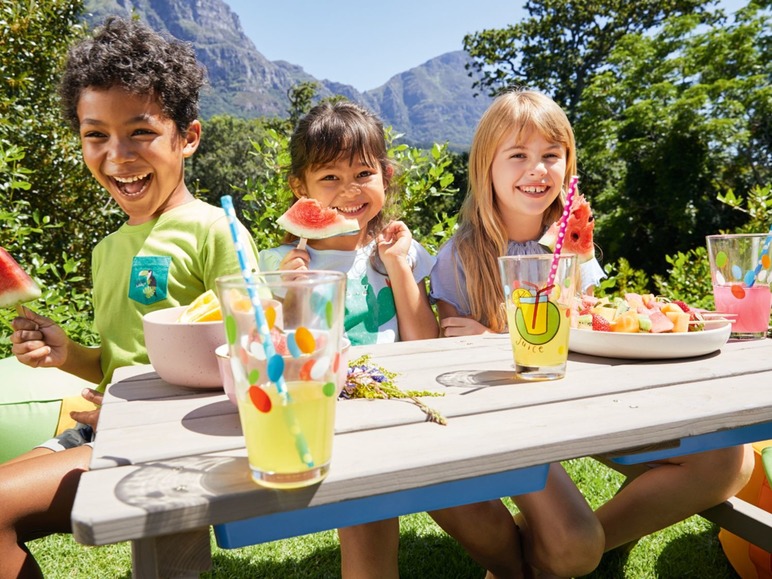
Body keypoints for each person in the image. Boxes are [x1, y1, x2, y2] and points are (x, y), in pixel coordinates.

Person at [430, 88, 753, 575]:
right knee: (572, 545)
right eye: (518, 155)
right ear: (485, 166)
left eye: (550, 155)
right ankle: (568, 546)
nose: (537, 169)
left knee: (729, 460)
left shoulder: (573, 244)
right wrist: (487, 339)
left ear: (568, 164)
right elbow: (449, 353)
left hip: (586, 411)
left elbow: (592, 321)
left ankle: (568, 545)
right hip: (509, 424)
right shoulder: (459, 256)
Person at [0, 17, 259, 578]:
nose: (117, 154)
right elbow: (121, 362)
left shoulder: (218, 231)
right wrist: (67, 354)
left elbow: (255, 351)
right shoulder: (107, 250)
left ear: (187, 137)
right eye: (96, 134)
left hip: (171, 437)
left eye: (140, 131)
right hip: (105, 427)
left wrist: (138, 405)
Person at [260, 101, 525, 578]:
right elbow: (287, 357)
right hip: (337, 412)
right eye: (329, 179)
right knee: (367, 524)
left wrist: (401, 267)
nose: (349, 191)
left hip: (409, 402)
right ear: (299, 187)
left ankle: (520, 568)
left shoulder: (398, 249)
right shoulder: (279, 263)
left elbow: (425, 341)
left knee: (478, 517)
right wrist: (291, 293)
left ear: (384, 176)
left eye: (363, 173)